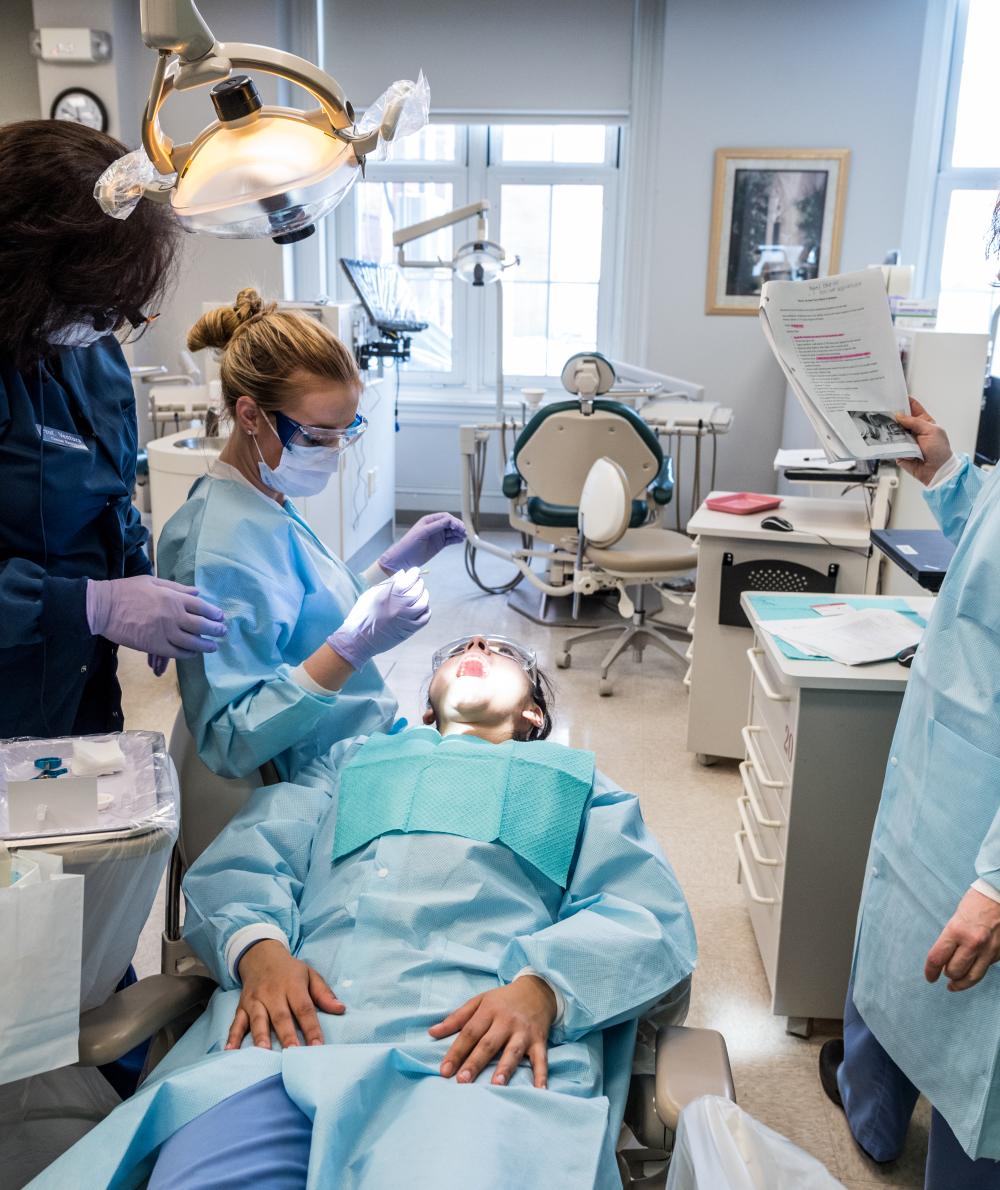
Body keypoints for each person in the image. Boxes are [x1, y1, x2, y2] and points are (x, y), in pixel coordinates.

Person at [30, 635, 697, 1190]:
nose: (477, 648)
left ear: (533, 717)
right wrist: (258, 949)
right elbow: (250, 857)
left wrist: (544, 989)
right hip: (285, 1042)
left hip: (474, 1058)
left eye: (500, 653)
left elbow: (646, 915)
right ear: (428, 710)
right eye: (460, 648)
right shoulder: (350, 763)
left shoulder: (577, 784)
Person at [157, 289, 465, 779]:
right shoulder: (216, 547)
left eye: (347, 431)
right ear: (250, 416)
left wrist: (387, 567)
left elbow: (302, 617)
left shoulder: (265, 498)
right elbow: (230, 738)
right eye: (319, 436)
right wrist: (352, 648)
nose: (334, 450)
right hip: (311, 780)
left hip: (358, 747)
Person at [819, 396, 1000, 1187]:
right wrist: (948, 474)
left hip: (986, 827)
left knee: (974, 1029)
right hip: (953, 763)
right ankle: (877, 1111)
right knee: (897, 945)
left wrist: (997, 883)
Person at [0, 120, 226, 739]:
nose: (106, 325)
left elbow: (110, 491)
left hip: (79, 674)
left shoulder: (91, 346)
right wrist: (91, 605)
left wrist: (135, 572)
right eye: (94, 305)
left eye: (121, 310)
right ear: (24, 273)